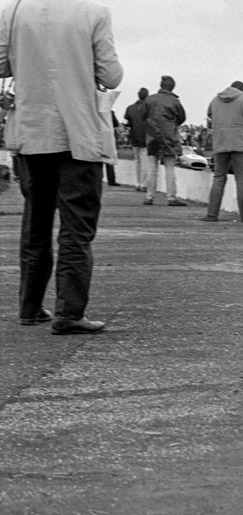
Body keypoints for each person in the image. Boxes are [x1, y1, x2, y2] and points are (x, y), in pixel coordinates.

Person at [0, 0, 123, 334]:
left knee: (35, 222)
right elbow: (110, 76)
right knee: (76, 228)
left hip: (30, 133)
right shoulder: (93, 12)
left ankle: (29, 307)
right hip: (77, 134)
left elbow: (1, 66)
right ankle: (68, 312)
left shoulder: (12, 10)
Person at [202, 80, 243, 222]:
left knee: (219, 178)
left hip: (220, 143)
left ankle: (212, 214)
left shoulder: (215, 100)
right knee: (241, 180)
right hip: (240, 143)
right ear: (242, 91)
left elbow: (209, 115)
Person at [142, 75, 186, 206]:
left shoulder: (150, 99)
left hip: (152, 137)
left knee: (152, 168)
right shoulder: (175, 101)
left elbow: (143, 115)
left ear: (161, 85)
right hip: (169, 138)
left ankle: (149, 196)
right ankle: (171, 197)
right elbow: (182, 118)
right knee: (170, 169)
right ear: (172, 87)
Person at [124, 87, 149, 191]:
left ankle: (138, 183)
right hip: (146, 137)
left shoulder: (130, 108)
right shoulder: (149, 108)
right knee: (144, 161)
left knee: (137, 161)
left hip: (134, 137)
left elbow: (128, 123)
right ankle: (143, 184)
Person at [105, 110, 120, 186]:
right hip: (107, 136)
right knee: (109, 160)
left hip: (95, 137)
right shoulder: (110, 112)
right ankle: (111, 180)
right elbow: (116, 125)